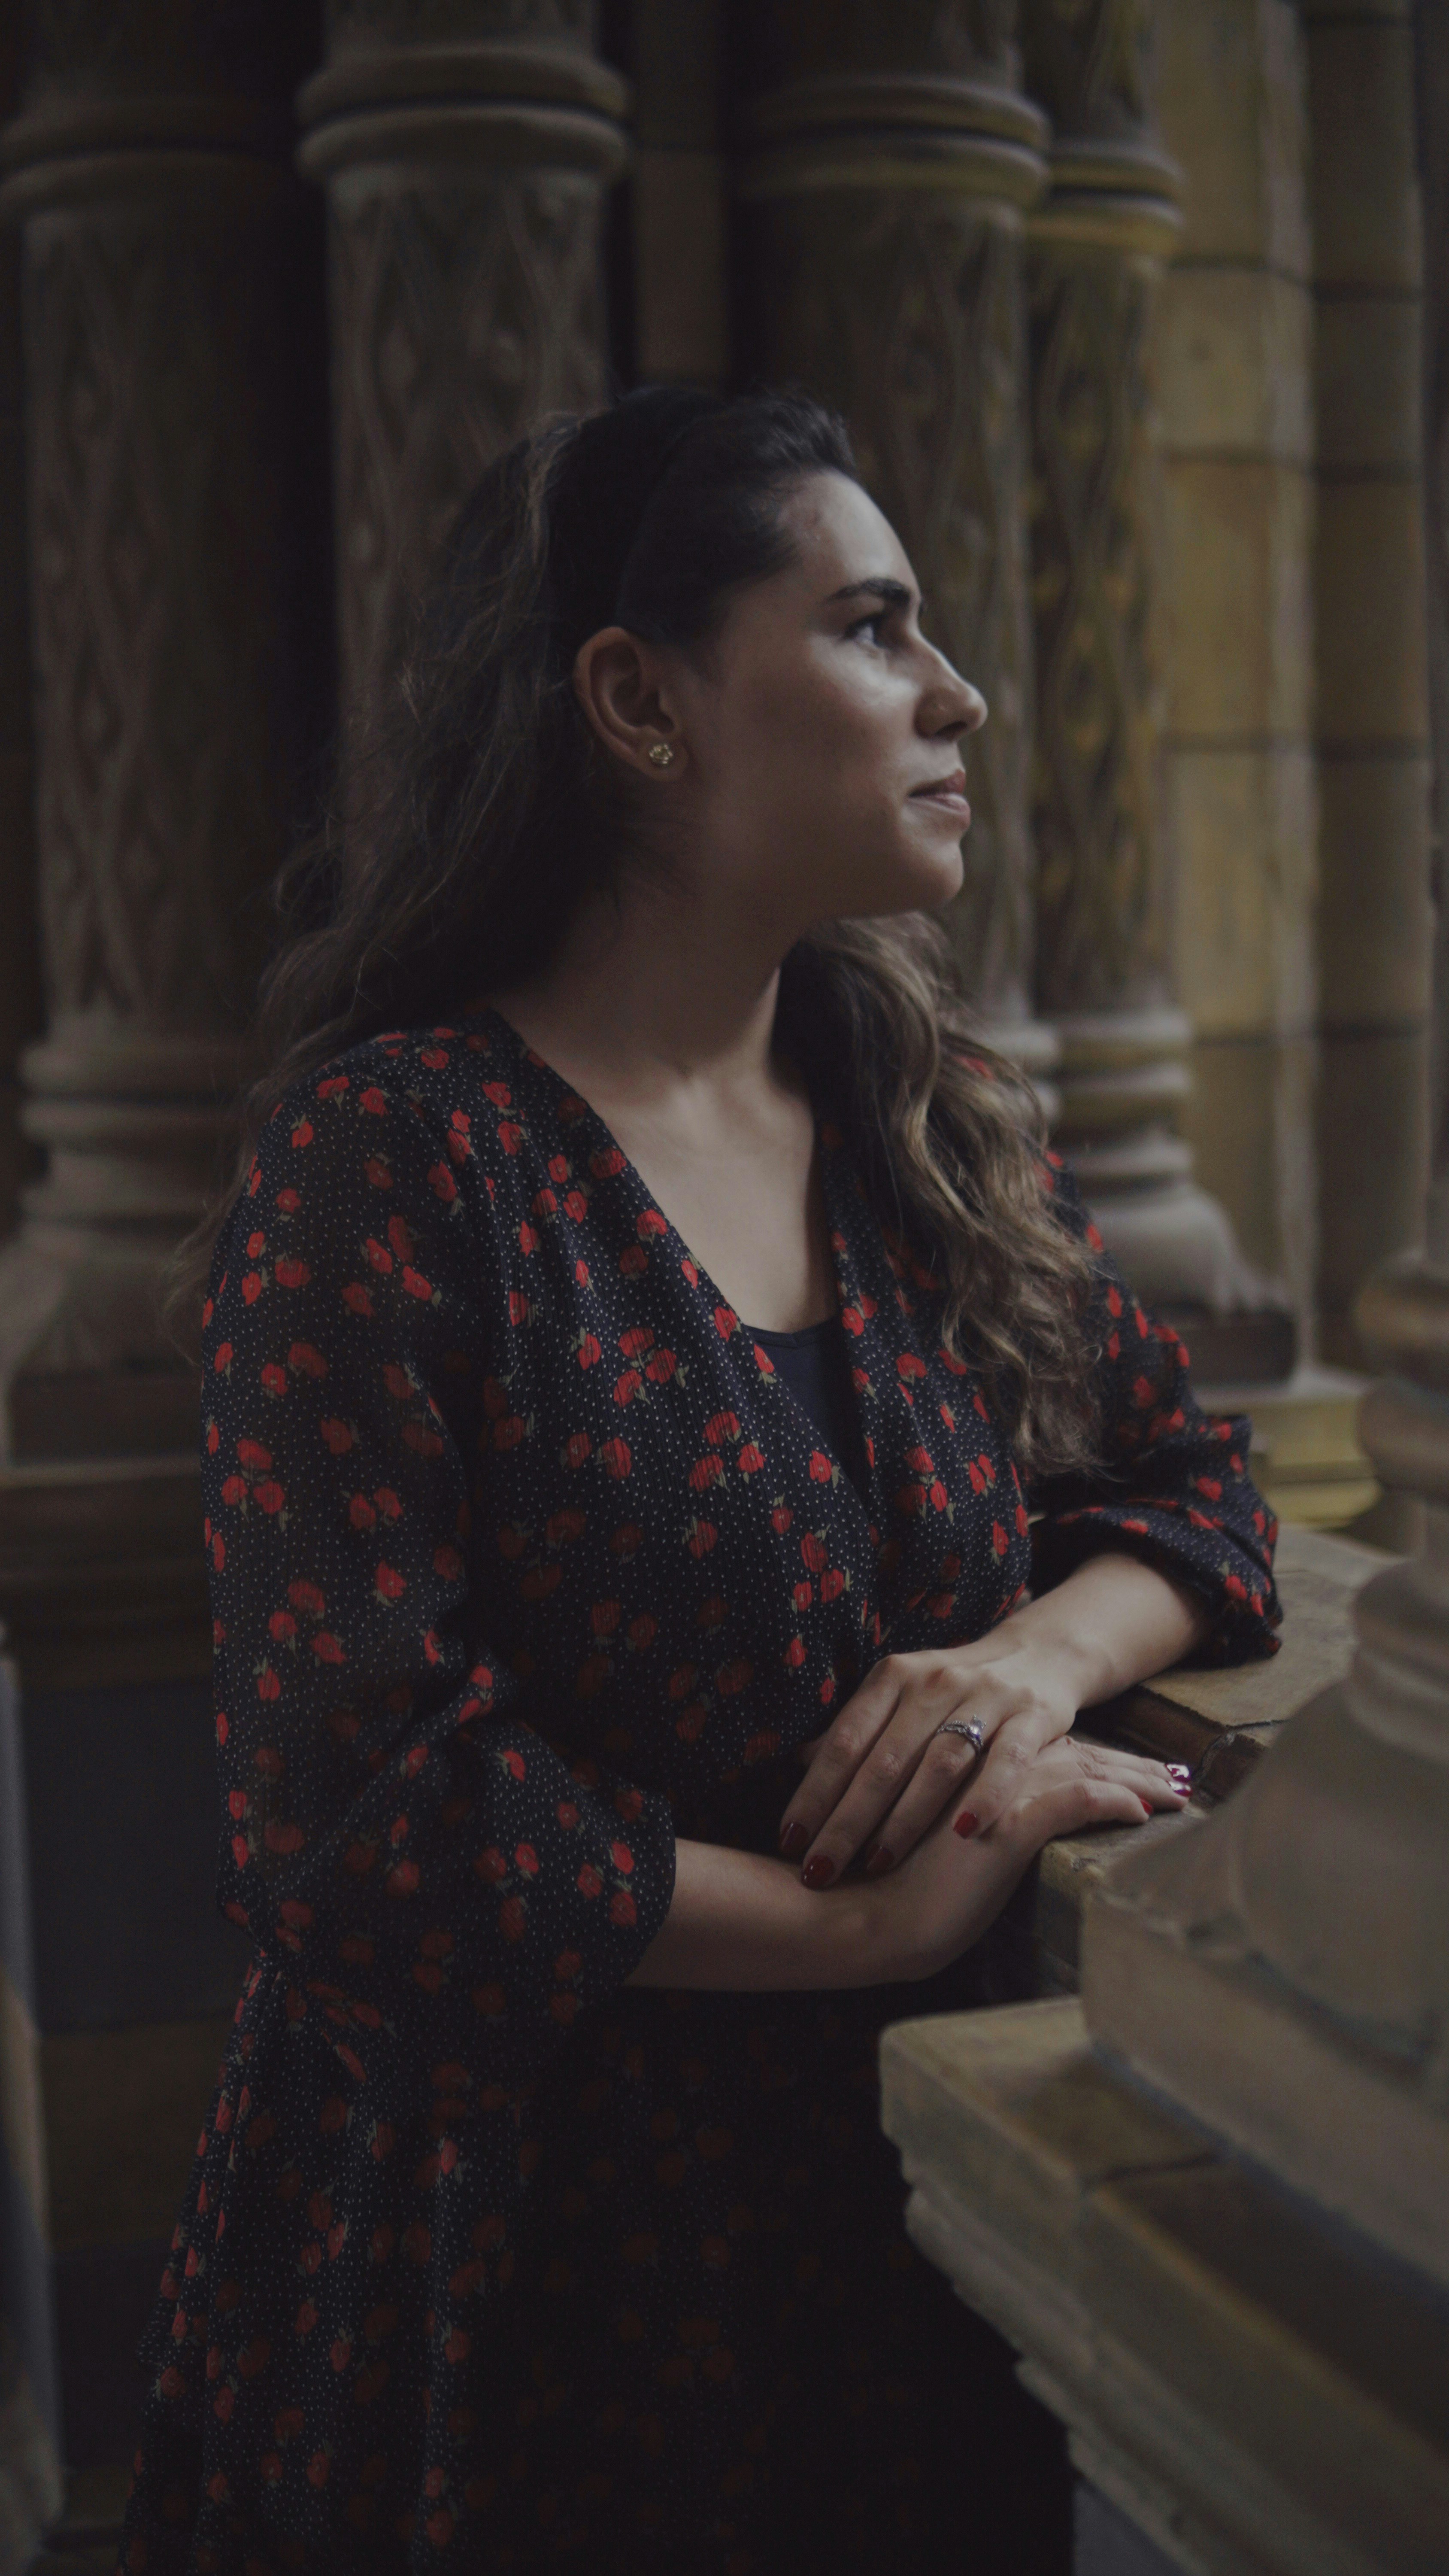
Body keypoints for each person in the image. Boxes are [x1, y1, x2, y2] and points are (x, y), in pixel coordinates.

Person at [120, 388, 1279, 2576]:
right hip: (522, 2269)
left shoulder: (921, 1108)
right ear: (639, 705)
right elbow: (359, 1818)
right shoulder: (393, 1165)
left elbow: (1194, 1484)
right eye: (870, 628)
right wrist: (881, 1916)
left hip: (896, 2251)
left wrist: (1025, 1664)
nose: (962, 691)